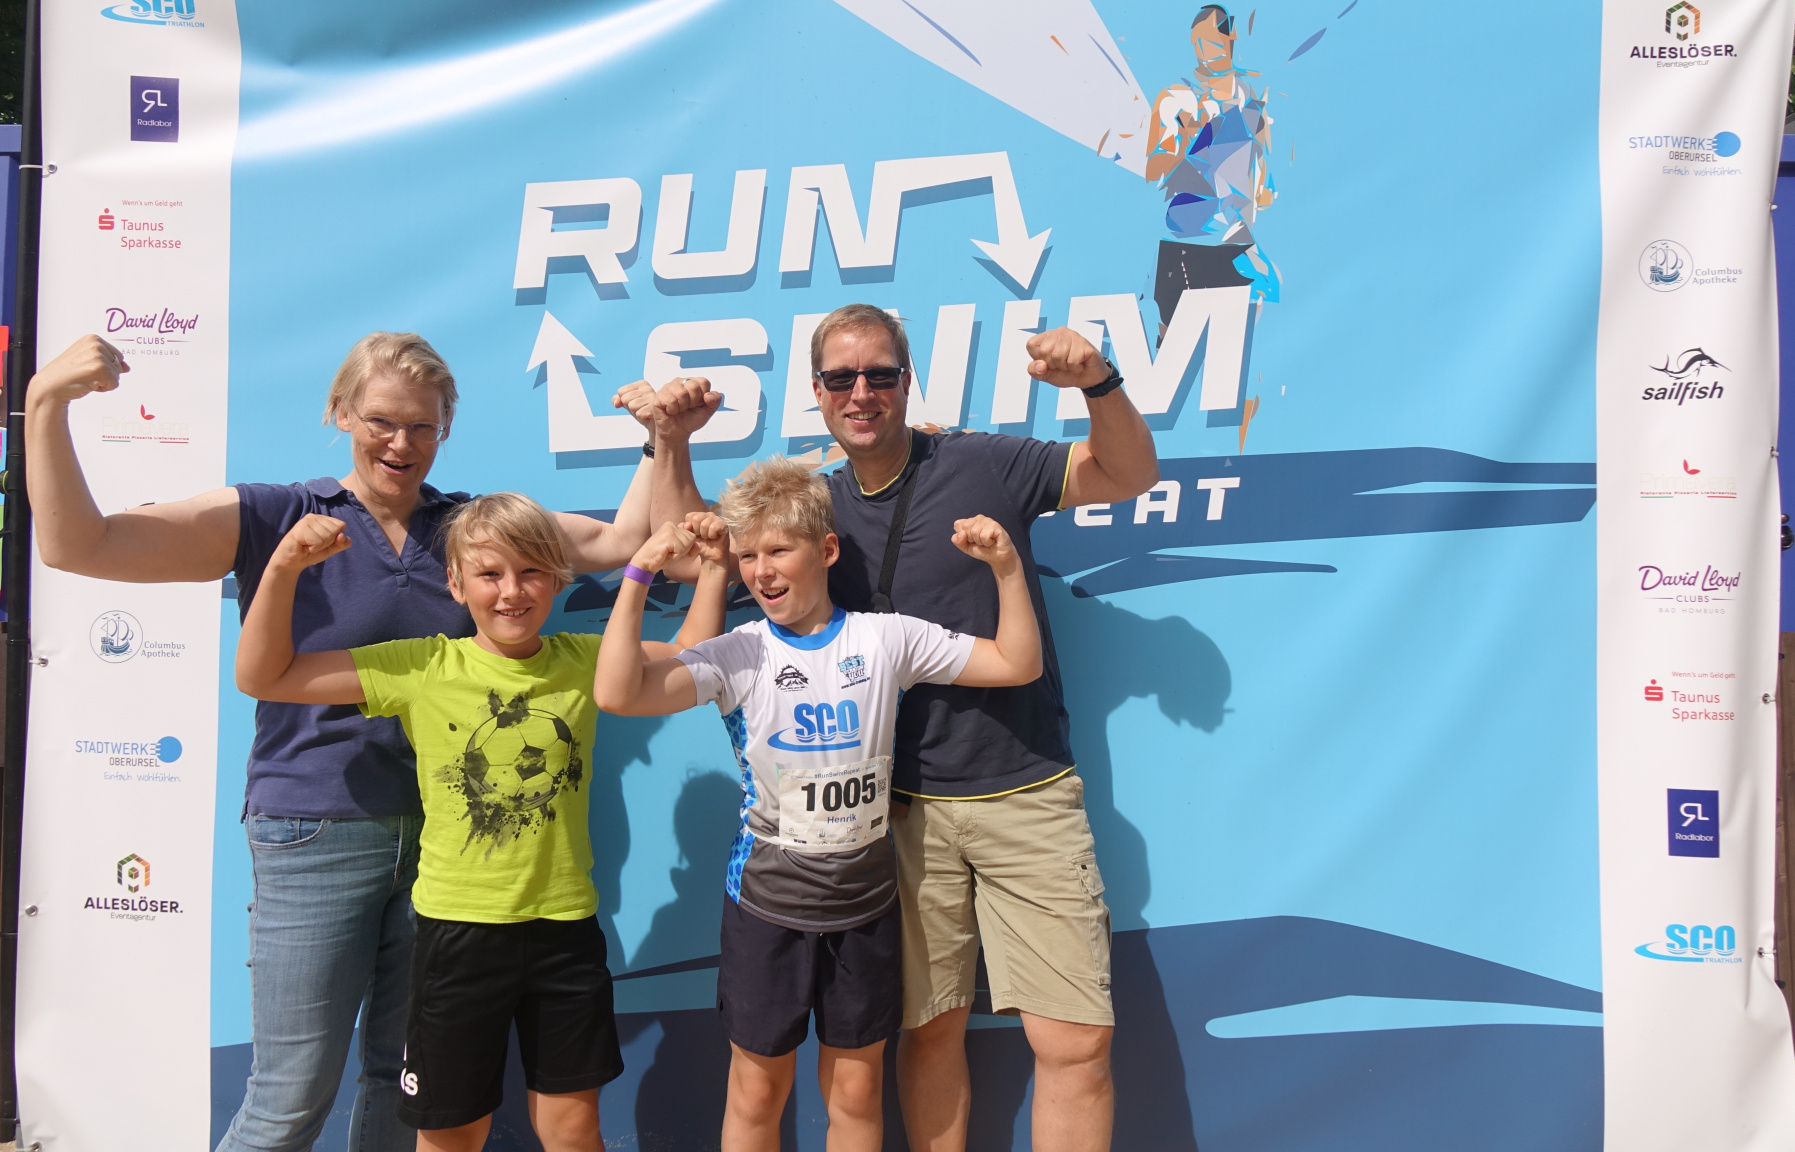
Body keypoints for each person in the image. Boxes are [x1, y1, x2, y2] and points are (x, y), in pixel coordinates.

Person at [23, 331, 677, 1152]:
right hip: (314, 832)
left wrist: (657, 441)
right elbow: (77, 545)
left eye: (422, 427)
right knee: (289, 1099)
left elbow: (624, 541)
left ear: (445, 429)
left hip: (449, 854)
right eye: (381, 422)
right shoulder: (273, 515)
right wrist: (45, 404)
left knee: (402, 1093)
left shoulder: (469, 528)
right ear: (341, 414)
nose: (400, 444)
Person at [652, 305, 1161, 1152]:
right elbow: (686, 552)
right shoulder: (814, 507)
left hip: (1025, 790)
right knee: (927, 1034)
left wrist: (1098, 385)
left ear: (906, 380)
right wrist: (671, 443)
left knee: (1075, 1043)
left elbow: (1129, 473)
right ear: (817, 390)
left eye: (879, 374)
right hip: (895, 819)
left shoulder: (983, 462)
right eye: (840, 377)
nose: (861, 392)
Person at [231, 491, 725, 1152]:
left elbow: (694, 651)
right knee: (452, 1134)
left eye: (531, 572)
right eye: (490, 574)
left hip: (564, 931)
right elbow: (265, 676)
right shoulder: (421, 665)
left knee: (573, 1128)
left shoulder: (585, 659)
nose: (511, 592)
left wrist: (715, 569)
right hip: (458, 936)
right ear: (456, 585)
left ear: (558, 580)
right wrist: (283, 569)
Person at [594, 458, 1044, 1152]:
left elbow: (1017, 663)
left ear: (827, 549)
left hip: (864, 907)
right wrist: (639, 573)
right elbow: (618, 694)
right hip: (767, 907)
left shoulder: (886, 637)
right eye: (747, 556)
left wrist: (1008, 569)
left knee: (856, 1093)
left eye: (779, 550)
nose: (762, 572)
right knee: (757, 1092)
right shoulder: (739, 653)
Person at [1145, 3, 1278, 337]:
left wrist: (1261, 188)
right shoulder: (1178, 99)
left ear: (1231, 36)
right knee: (1175, 342)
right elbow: (1154, 169)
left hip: (1235, 237)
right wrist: (1189, 143)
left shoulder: (1252, 102)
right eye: (1199, 43)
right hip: (1188, 239)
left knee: (1247, 324)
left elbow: (1263, 175)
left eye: (1212, 40)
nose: (1206, 52)